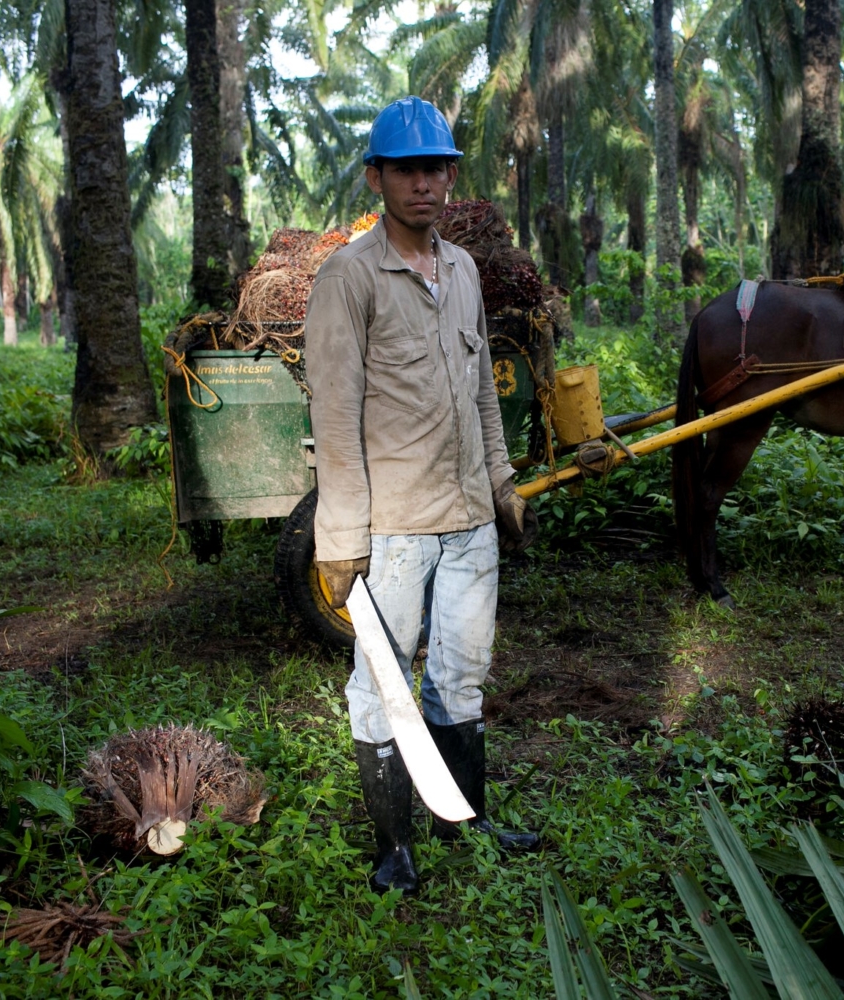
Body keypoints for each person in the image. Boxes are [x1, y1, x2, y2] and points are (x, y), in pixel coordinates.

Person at [305, 96, 540, 895]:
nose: (424, 185)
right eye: (407, 169)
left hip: (469, 517)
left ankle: (464, 820)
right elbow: (334, 413)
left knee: (461, 677)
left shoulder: (466, 271)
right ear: (377, 177)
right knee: (381, 688)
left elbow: (482, 395)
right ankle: (394, 846)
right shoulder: (349, 277)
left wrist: (502, 483)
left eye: (436, 168)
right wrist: (339, 538)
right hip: (395, 529)